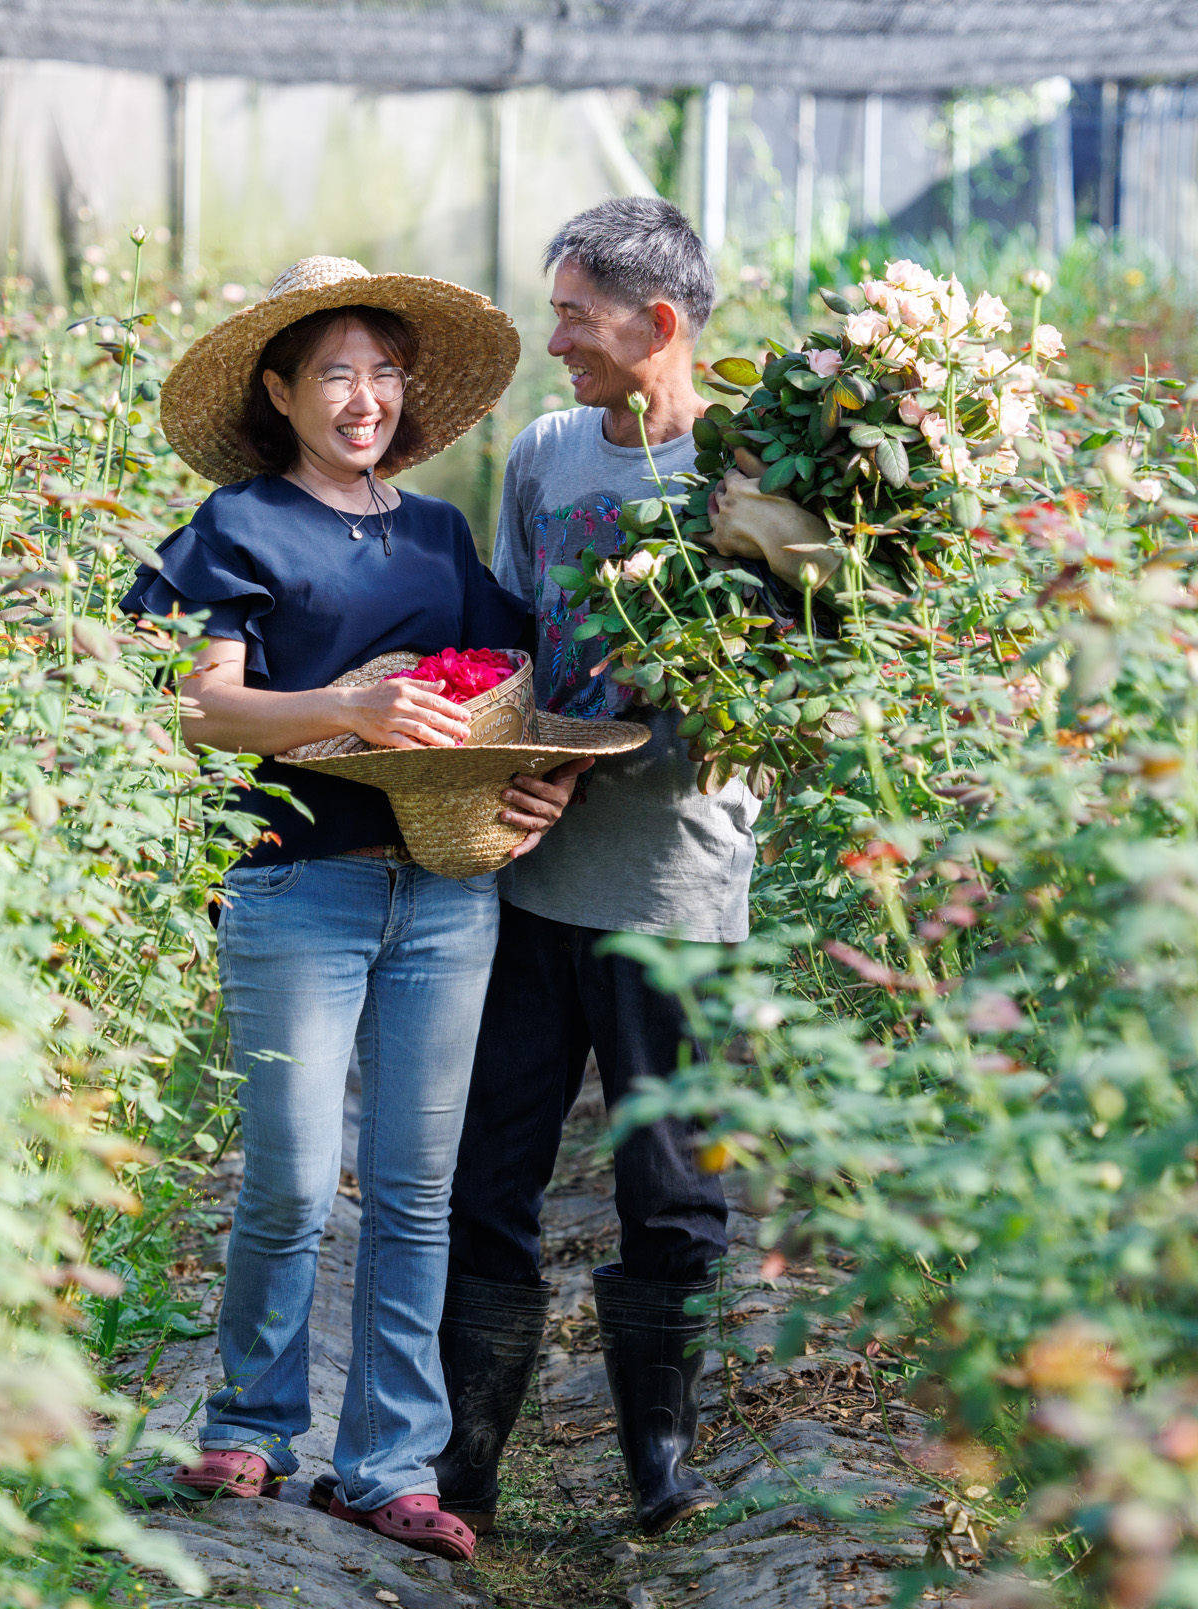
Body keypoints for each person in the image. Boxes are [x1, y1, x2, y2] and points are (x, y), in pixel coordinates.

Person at [122, 257, 566, 1564]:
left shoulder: (435, 537)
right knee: (294, 1176)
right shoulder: (239, 527)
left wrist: (530, 786)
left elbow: (502, 683)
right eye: (335, 374)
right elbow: (198, 708)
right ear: (279, 390)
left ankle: (386, 1466)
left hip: (440, 895)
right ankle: (252, 1423)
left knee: (420, 1191)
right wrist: (347, 707)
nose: (364, 397)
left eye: (383, 372)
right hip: (293, 887)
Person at [430, 197, 761, 1537]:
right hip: (527, 884)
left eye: (574, 311)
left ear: (658, 324)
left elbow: (790, 676)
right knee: (489, 1172)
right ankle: (465, 1467)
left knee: (672, 1185)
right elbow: (517, 635)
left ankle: (660, 1462)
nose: (552, 335)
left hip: (675, 890)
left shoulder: (754, 476)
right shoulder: (549, 455)